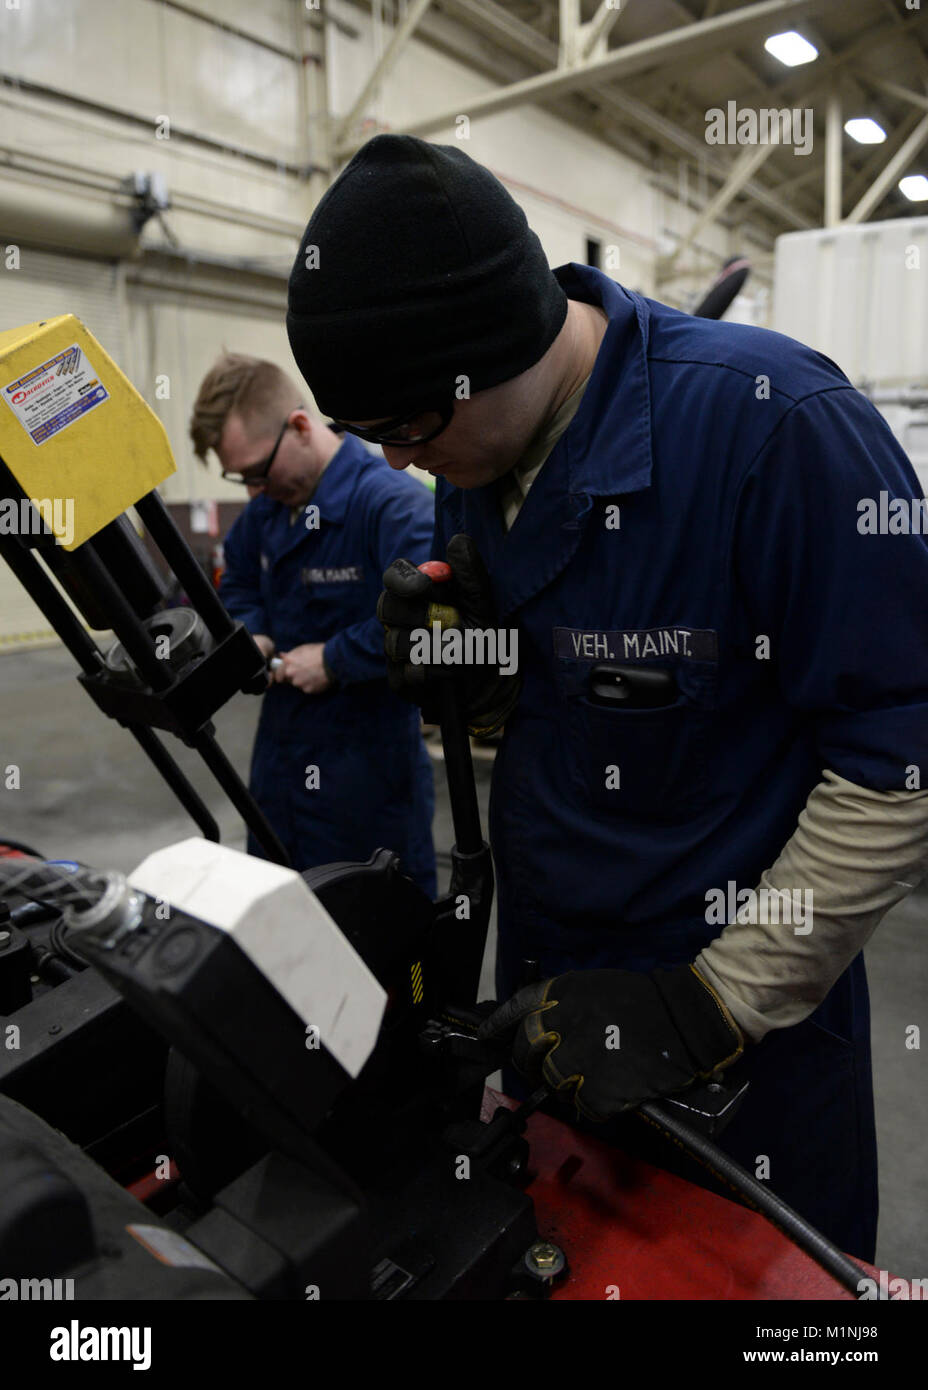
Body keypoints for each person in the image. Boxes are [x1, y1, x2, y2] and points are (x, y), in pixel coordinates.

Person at [282, 134, 928, 1260]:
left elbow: (899, 755)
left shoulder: (775, 431)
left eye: (409, 429)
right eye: (373, 436)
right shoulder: (473, 467)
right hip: (555, 1016)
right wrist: (463, 683)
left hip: (745, 1047)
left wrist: (711, 1001)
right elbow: (547, 723)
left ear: (493, 350)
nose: (400, 464)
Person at [189, 352, 437, 896]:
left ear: (300, 425)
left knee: (377, 936)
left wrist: (333, 659)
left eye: (258, 472)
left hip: (369, 777)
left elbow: (427, 624)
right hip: (279, 766)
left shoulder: (392, 506)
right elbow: (238, 589)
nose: (254, 491)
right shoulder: (267, 510)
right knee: (285, 927)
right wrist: (250, 631)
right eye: (241, 478)